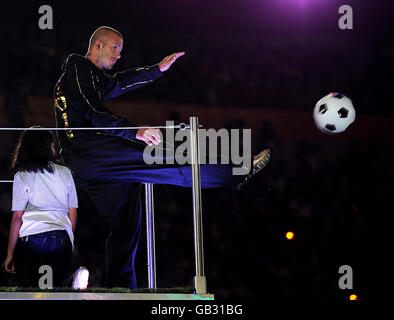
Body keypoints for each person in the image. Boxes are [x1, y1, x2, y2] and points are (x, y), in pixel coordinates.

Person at [53, 26, 270, 289]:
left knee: (125, 225)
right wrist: (135, 131)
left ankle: (120, 288)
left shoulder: (91, 76)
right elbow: (91, 112)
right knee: (163, 159)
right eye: (115, 48)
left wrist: (158, 69)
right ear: (97, 45)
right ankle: (236, 170)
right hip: (90, 151)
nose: (119, 55)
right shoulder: (78, 70)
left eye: (121, 50)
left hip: (91, 166)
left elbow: (121, 81)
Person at [4, 128, 78, 287]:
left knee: (33, 287)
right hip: (61, 236)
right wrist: (69, 240)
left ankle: (71, 281)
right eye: (52, 145)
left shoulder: (22, 175)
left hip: (34, 237)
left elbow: (17, 217)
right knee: (56, 287)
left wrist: (10, 253)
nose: (54, 149)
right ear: (45, 148)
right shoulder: (65, 172)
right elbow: (72, 212)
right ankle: (73, 281)